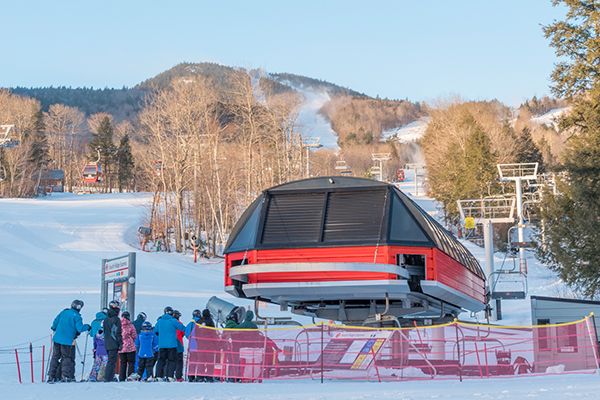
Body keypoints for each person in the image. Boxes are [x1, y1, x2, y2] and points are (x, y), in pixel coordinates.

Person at [48, 299, 91, 382]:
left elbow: (55, 322)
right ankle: (66, 376)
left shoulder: (64, 312)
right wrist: (87, 326)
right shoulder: (77, 316)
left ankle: (51, 376)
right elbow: (80, 328)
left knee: (55, 357)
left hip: (57, 339)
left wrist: (54, 328)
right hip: (67, 341)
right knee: (66, 357)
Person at [154, 306, 185, 381]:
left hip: (162, 345)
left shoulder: (160, 321)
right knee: (171, 360)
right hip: (172, 345)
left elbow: (155, 331)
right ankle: (170, 376)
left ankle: (158, 376)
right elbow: (182, 328)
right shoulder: (173, 321)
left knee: (161, 360)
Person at [102, 300, 122, 382]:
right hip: (114, 342)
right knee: (112, 362)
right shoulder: (116, 319)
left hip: (107, 342)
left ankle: (109, 376)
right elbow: (117, 332)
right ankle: (108, 377)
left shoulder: (106, 319)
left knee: (110, 361)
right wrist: (120, 343)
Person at [118, 311, 138, 381]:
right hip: (130, 347)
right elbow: (134, 335)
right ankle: (130, 376)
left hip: (121, 347)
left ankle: (121, 377)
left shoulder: (118, 325)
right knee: (131, 363)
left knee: (123, 363)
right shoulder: (130, 325)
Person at [173, 310, 185, 382]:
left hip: (171, 344)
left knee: (170, 360)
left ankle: (168, 374)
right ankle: (178, 376)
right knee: (179, 362)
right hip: (179, 344)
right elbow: (183, 333)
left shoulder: (170, 323)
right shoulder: (180, 324)